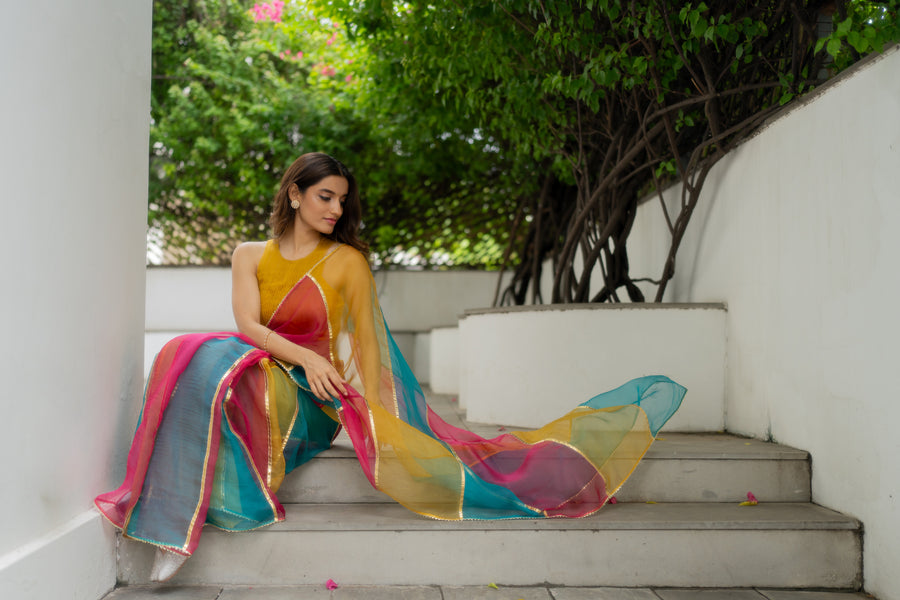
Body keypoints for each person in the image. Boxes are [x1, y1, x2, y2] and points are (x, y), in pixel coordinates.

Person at [95, 152, 685, 582]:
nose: (336, 208)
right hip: (267, 362)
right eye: (325, 196)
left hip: (314, 394)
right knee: (190, 354)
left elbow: (369, 348)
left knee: (218, 369)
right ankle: (175, 524)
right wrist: (304, 353)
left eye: (342, 200)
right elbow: (248, 325)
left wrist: (375, 416)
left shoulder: (348, 262)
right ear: (295, 194)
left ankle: (178, 523)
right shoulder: (248, 255)